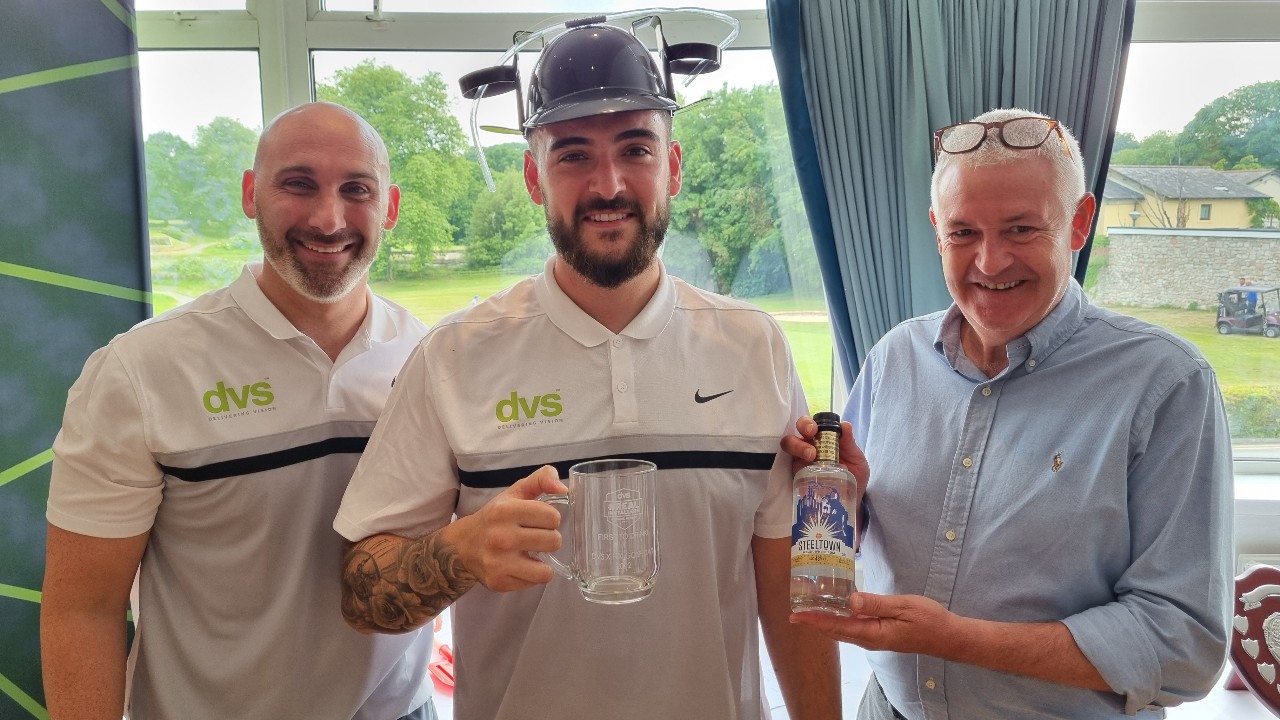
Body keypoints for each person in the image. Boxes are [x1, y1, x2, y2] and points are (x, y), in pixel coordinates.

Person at [335, 21, 841, 720]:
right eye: (573, 155)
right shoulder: (455, 356)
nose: (609, 184)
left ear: (673, 166)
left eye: (636, 148)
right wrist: (457, 553)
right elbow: (361, 593)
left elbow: (790, 588)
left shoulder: (754, 346)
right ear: (533, 177)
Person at [784, 108, 1234, 718]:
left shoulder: (1167, 383)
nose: (990, 262)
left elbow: (1183, 645)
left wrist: (956, 640)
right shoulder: (895, 356)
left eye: (1021, 229)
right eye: (963, 232)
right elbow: (859, 545)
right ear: (937, 230)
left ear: (1079, 223)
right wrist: (851, 503)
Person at [41, 102, 436, 720]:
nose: (328, 219)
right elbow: (83, 608)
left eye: (356, 189)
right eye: (298, 184)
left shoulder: (429, 357)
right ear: (252, 194)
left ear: (390, 207)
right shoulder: (141, 371)